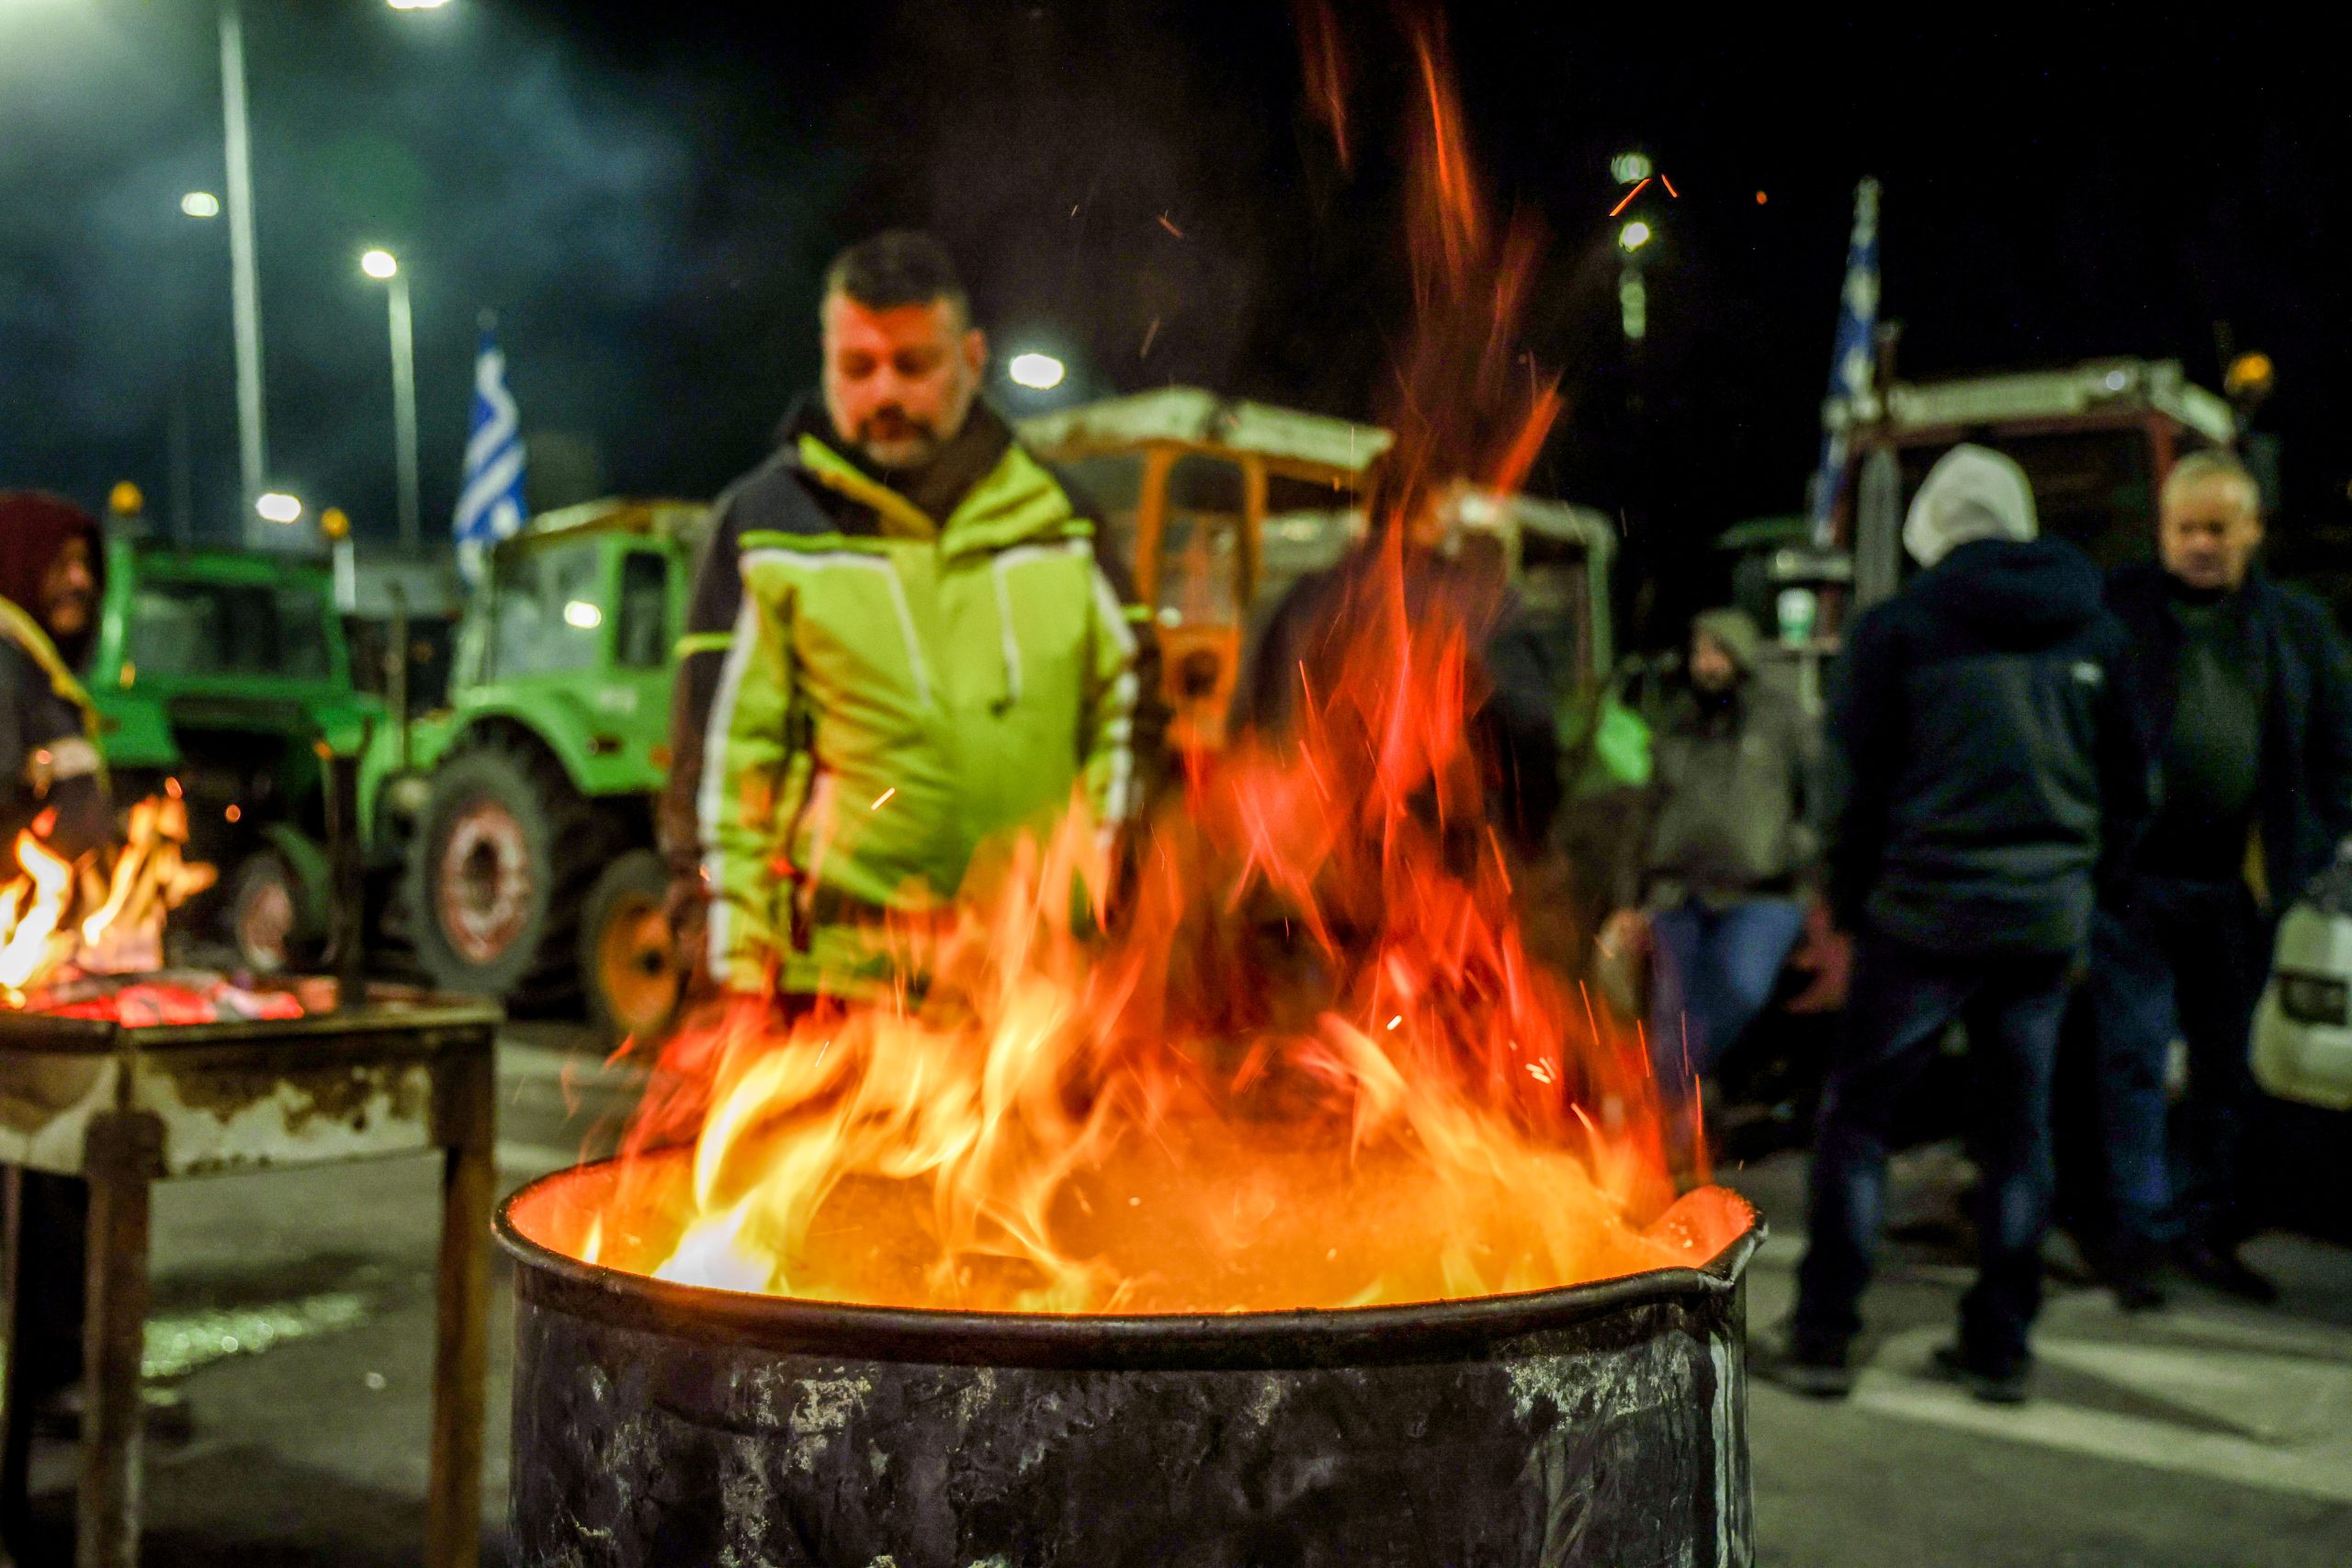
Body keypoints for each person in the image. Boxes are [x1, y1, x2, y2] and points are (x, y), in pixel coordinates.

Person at [659, 231, 1159, 1004]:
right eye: (857, 368)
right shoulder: (764, 529)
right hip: (838, 991)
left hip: (1031, 992)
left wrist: (1092, 898)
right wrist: (728, 975)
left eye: (913, 364)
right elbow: (724, 768)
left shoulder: (1061, 520)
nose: (884, 394)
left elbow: (1128, 713)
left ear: (972, 357)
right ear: (826, 363)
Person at [1781, 445, 2147, 1404]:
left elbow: (1850, 787)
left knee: (1858, 1122)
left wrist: (1850, 900)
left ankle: (1822, 1337)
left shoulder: (1897, 629)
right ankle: (1998, 1349)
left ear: (1929, 529)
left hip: (1918, 919)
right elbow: (2130, 788)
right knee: (2016, 1133)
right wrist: (2081, 889)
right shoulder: (2094, 632)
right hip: (2038, 925)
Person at [2083, 449, 2352, 1305]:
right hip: (2135, 885)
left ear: (2252, 531)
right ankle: (2139, 1235)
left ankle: (2207, 1229)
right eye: (2184, 528)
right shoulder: (2115, 612)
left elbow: (2336, 756)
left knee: (2223, 1072)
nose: (2200, 544)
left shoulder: (2298, 628)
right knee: (2130, 1062)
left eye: (2217, 528)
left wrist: (2302, 853)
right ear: (2161, 531)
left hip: (2240, 891)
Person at [0, 491, 113, 1437]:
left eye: (88, 564)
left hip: (35, 969)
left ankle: (46, 1375)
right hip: (12, 970)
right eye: (60, 562)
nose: (79, 581)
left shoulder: (32, 664)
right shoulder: (3, 652)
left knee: (49, 1180)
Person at [1603, 607, 1817, 1088]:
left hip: (1763, 895)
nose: (1706, 662)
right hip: (1678, 894)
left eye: (1717, 650)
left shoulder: (1781, 721)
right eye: (1699, 650)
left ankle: (1668, 1095)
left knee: (1736, 993)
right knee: (1673, 1014)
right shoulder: (1676, 723)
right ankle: (1674, 1133)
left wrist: (1801, 864)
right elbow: (1644, 814)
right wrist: (1626, 899)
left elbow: (1819, 799)